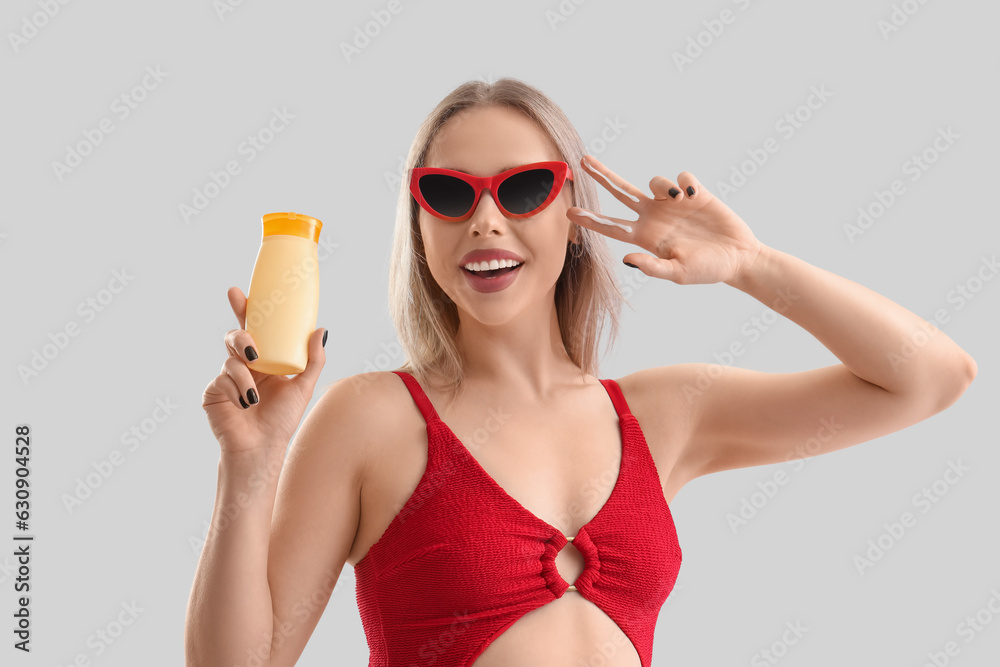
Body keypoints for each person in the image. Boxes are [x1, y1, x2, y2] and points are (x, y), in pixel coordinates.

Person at [184, 78, 977, 667]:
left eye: (525, 188)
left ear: (572, 215)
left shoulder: (666, 413)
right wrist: (248, 467)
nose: (486, 219)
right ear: (419, 222)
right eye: (449, 193)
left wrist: (751, 265)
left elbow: (932, 377)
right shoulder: (370, 420)